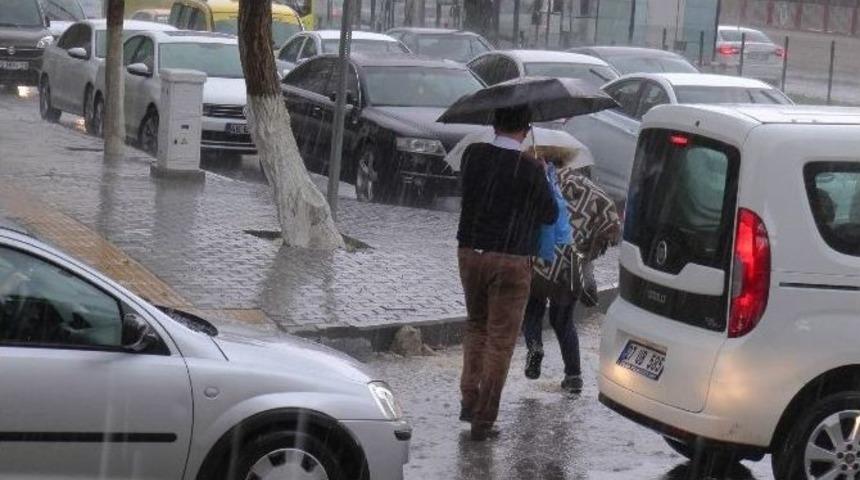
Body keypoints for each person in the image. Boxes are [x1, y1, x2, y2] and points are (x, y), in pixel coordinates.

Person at [456, 105, 558, 441]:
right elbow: (549, 214)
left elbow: (469, 193)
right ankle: (483, 419)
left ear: (494, 124)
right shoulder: (529, 169)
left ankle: (469, 400)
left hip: (471, 253)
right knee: (500, 341)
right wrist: (541, 174)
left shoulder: (473, 155)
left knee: (476, 326)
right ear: (526, 130)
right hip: (511, 261)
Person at [522, 146, 620, 394]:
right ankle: (574, 376)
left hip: (541, 261)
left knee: (532, 310)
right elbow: (612, 224)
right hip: (571, 267)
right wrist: (591, 248)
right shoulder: (590, 188)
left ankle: (535, 348)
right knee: (563, 321)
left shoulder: (543, 181)